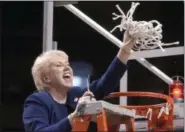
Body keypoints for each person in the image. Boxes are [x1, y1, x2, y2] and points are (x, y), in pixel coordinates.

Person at [22, 32, 136, 132]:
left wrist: (125, 50)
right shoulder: (37, 101)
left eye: (67, 64)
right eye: (59, 65)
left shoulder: (77, 94)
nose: (67, 68)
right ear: (46, 78)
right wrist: (73, 118)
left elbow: (104, 84)